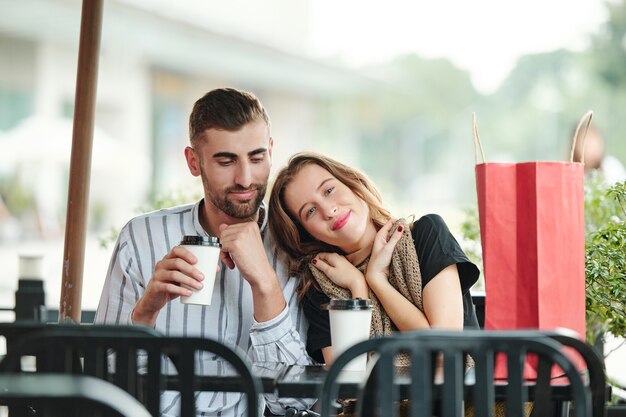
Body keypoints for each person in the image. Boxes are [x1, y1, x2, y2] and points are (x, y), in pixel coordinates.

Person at [94, 88, 312, 417]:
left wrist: (265, 284)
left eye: (256, 158)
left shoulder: (294, 245)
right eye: (226, 161)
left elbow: (294, 404)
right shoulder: (142, 238)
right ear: (194, 162)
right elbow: (106, 383)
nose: (245, 178)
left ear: (270, 151)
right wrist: (147, 312)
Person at [267, 152, 480, 368]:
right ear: (307, 233)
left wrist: (377, 281)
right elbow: (347, 378)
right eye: (310, 211)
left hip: (465, 399)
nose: (329, 210)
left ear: (353, 183)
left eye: (329, 190)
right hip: (377, 402)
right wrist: (358, 286)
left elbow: (443, 350)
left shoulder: (427, 235)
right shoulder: (320, 287)